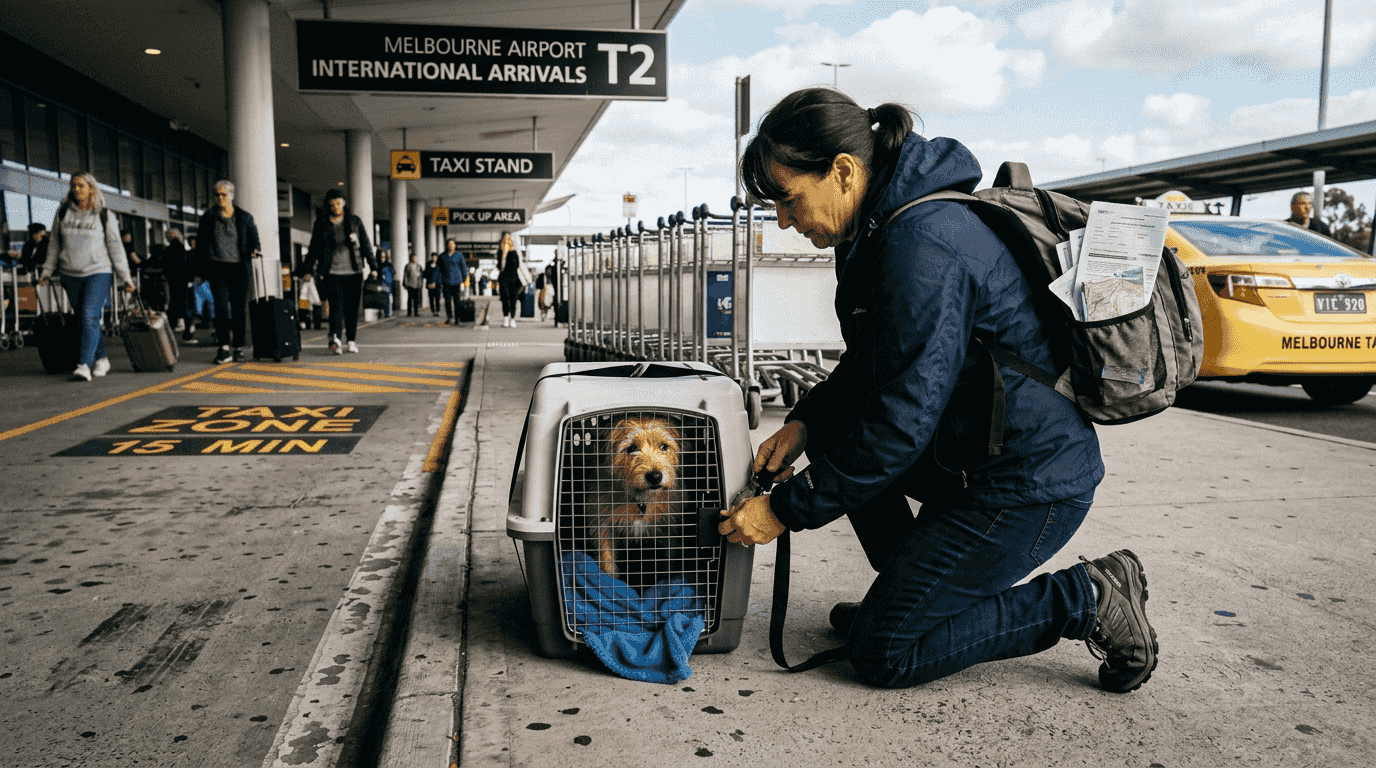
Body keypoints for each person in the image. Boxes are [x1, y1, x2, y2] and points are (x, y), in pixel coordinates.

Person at [718, 87, 1156, 694]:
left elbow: (900, 423)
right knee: (843, 438)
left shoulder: (921, 244)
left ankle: (1088, 598)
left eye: (789, 201)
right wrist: (807, 423)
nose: (786, 222)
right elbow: (879, 364)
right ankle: (910, 600)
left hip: (1027, 483)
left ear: (842, 172)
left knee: (884, 652)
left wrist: (782, 512)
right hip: (974, 456)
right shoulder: (879, 228)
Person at [38, 173, 135, 381]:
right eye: (74, 185)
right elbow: (55, 243)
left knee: (89, 314)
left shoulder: (103, 214)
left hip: (98, 271)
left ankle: (83, 365)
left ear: (91, 188)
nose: (77, 189)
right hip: (69, 273)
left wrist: (125, 277)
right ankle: (102, 358)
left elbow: (116, 247)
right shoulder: (63, 212)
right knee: (85, 319)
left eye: (81, 185)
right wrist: (47, 270)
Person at [297, 188, 376, 354]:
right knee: (336, 308)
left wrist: (374, 267)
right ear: (329, 205)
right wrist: (308, 269)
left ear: (344, 203)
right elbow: (313, 249)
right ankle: (336, 339)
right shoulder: (322, 224)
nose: (336, 207)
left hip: (354, 272)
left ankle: (352, 341)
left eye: (339, 203)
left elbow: (366, 244)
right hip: (332, 273)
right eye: (333, 204)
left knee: (352, 309)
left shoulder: (355, 221)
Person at [191, 180, 261, 364]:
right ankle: (223, 348)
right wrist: (198, 271)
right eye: (217, 195)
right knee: (220, 307)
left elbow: (254, 240)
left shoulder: (244, 217)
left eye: (224, 194)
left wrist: (255, 249)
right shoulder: (208, 217)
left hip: (239, 268)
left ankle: (238, 347)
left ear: (232, 195)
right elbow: (200, 246)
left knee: (239, 308)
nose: (220, 198)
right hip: (217, 268)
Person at [161, 228, 192, 339]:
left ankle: (175, 325)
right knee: (182, 302)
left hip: (174, 279)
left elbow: (166, 265)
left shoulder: (169, 249)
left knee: (175, 302)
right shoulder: (181, 248)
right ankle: (186, 326)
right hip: (182, 279)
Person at [436, 239, 469, 324]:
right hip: (445, 282)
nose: (450, 245)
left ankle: (457, 319)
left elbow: (463, 267)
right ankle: (449, 317)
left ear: (455, 245)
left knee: (457, 301)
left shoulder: (459, 255)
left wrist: (465, 277)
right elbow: (437, 269)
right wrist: (434, 280)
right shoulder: (442, 256)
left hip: (457, 282)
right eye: (449, 244)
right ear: (447, 245)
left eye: (452, 244)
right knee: (447, 301)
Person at [496, 249, 530, 327]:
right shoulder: (518, 269)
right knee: (513, 302)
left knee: (505, 301)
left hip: (506, 281)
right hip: (515, 282)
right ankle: (512, 320)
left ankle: (506, 319)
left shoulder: (504, 271)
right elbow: (526, 279)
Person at [378, 250, 395, 318]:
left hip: (387, 284)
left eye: (384, 256)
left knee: (387, 297)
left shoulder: (389, 265)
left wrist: (387, 279)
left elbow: (392, 273)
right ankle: (382, 311)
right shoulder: (377, 265)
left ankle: (387, 312)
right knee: (380, 297)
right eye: (381, 257)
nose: (383, 258)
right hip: (380, 284)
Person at [423, 253, 442, 317]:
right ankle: (433, 311)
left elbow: (440, 274)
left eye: (435, 257)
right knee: (431, 298)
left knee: (437, 298)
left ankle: (437, 310)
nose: (434, 258)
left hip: (437, 284)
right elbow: (426, 273)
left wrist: (438, 282)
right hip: (430, 283)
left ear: (437, 258)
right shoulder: (428, 264)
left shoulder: (439, 264)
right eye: (433, 257)